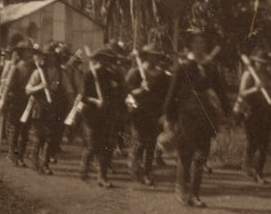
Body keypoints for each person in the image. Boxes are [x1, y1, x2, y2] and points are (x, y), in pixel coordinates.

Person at [163, 30, 231, 208]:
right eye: (197, 42)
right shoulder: (183, 66)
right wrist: (169, 116)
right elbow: (172, 93)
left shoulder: (210, 67)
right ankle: (181, 189)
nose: (201, 45)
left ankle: (195, 194)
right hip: (187, 114)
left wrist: (228, 111)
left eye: (202, 42)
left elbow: (220, 90)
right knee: (185, 153)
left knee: (202, 154)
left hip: (206, 114)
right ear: (190, 45)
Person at [78, 44, 125, 187]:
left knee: (108, 146)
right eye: (104, 58)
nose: (107, 61)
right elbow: (83, 96)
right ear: (98, 59)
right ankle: (84, 169)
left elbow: (120, 93)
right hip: (92, 114)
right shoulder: (89, 74)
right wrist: (96, 100)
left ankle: (102, 176)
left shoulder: (112, 75)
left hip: (108, 114)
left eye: (109, 59)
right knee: (93, 144)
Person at [126, 43, 169, 186]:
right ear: (146, 56)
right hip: (139, 113)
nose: (156, 58)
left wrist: (164, 113)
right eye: (153, 55)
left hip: (155, 114)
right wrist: (141, 91)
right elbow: (127, 94)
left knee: (151, 144)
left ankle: (147, 172)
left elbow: (165, 96)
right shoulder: (135, 72)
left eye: (157, 56)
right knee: (139, 143)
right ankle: (135, 169)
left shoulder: (162, 75)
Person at [25, 46, 72, 174]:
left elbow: (69, 91)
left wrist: (71, 106)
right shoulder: (37, 72)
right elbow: (28, 89)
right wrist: (40, 86)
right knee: (40, 136)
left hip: (54, 108)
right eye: (49, 56)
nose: (51, 59)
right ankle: (34, 158)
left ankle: (45, 164)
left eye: (53, 56)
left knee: (51, 137)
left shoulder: (62, 73)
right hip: (39, 107)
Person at [234, 52, 271, 184]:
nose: (263, 65)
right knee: (253, 142)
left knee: (264, 143)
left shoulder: (267, 75)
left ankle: (258, 172)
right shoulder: (249, 74)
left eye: (265, 63)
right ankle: (247, 167)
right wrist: (255, 88)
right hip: (251, 111)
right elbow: (242, 93)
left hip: (265, 111)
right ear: (255, 62)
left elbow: (270, 91)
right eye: (261, 62)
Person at [2, 41, 36, 166]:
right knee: (14, 128)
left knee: (25, 130)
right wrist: (3, 101)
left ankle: (21, 156)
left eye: (31, 51)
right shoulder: (15, 68)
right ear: (21, 53)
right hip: (16, 100)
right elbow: (8, 85)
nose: (30, 53)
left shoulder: (35, 68)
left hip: (29, 100)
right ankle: (12, 154)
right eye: (27, 51)